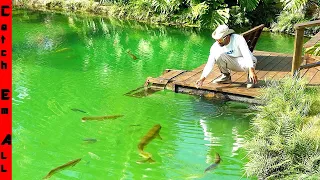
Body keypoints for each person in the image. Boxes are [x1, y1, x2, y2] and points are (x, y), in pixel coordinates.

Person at [196, 24, 258, 88]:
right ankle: (226, 77)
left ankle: (250, 76)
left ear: (227, 36)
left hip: (246, 62)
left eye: (220, 40)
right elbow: (210, 63)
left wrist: (251, 71)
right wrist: (202, 78)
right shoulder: (215, 46)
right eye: (216, 40)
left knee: (252, 62)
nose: (218, 42)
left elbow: (246, 54)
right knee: (218, 56)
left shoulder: (238, 39)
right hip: (232, 62)